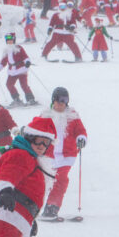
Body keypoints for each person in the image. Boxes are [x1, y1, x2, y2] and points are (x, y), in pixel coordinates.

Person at [40, 87, 87, 219]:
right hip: (48, 156)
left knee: (60, 180)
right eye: (58, 102)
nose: (60, 105)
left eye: (64, 102)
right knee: (44, 182)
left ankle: (52, 207)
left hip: (67, 155)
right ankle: (34, 207)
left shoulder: (72, 116)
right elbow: (35, 129)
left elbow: (81, 131)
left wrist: (81, 139)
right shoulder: (46, 116)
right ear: (53, 101)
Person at [0, 33, 37, 107]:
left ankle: (30, 99)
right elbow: (3, 62)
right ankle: (16, 99)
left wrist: (27, 62)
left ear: (14, 40)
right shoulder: (6, 50)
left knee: (24, 85)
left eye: (11, 40)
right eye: (8, 41)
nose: (9, 42)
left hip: (21, 69)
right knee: (9, 84)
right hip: (12, 71)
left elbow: (25, 56)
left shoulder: (18, 48)